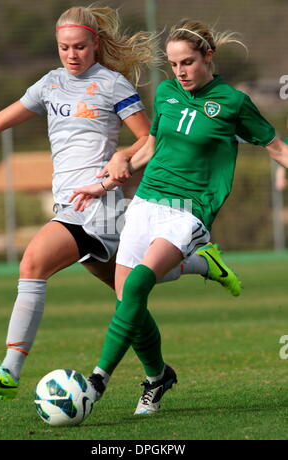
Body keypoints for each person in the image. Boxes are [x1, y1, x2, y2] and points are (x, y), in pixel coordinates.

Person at [0, 7, 240, 402]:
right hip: (69, 206)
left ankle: (9, 369)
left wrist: (119, 160)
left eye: (80, 47)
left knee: (32, 262)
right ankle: (162, 364)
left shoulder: (112, 85)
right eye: (64, 48)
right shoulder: (49, 84)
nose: (72, 55)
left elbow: (148, 139)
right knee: (129, 297)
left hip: (98, 207)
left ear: (96, 44)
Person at [70, 19, 288, 416]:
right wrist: (102, 185)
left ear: (209, 56)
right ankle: (157, 377)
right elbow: (151, 146)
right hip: (146, 201)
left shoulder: (233, 102)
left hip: (190, 209)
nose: (180, 72)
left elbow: (276, 148)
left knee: (136, 286)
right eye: (173, 64)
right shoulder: (168, 92)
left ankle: (96, 381)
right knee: (127, 303)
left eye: (188, 62)